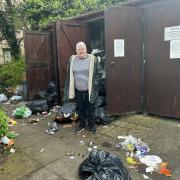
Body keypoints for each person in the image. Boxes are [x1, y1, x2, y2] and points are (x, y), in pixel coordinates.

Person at [63, 42, 99, 134]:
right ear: (76, 51)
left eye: (82, 48)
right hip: (78, 90)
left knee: (90, 108)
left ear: (86, 49)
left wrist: (96, 86)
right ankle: (82, 124)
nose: (81, 51)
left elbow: (98, 75)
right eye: (79, 49)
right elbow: (69, 75)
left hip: (89, 90)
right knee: (81, 108)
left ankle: (92, 125)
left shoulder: (92, 60)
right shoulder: (72, 60)